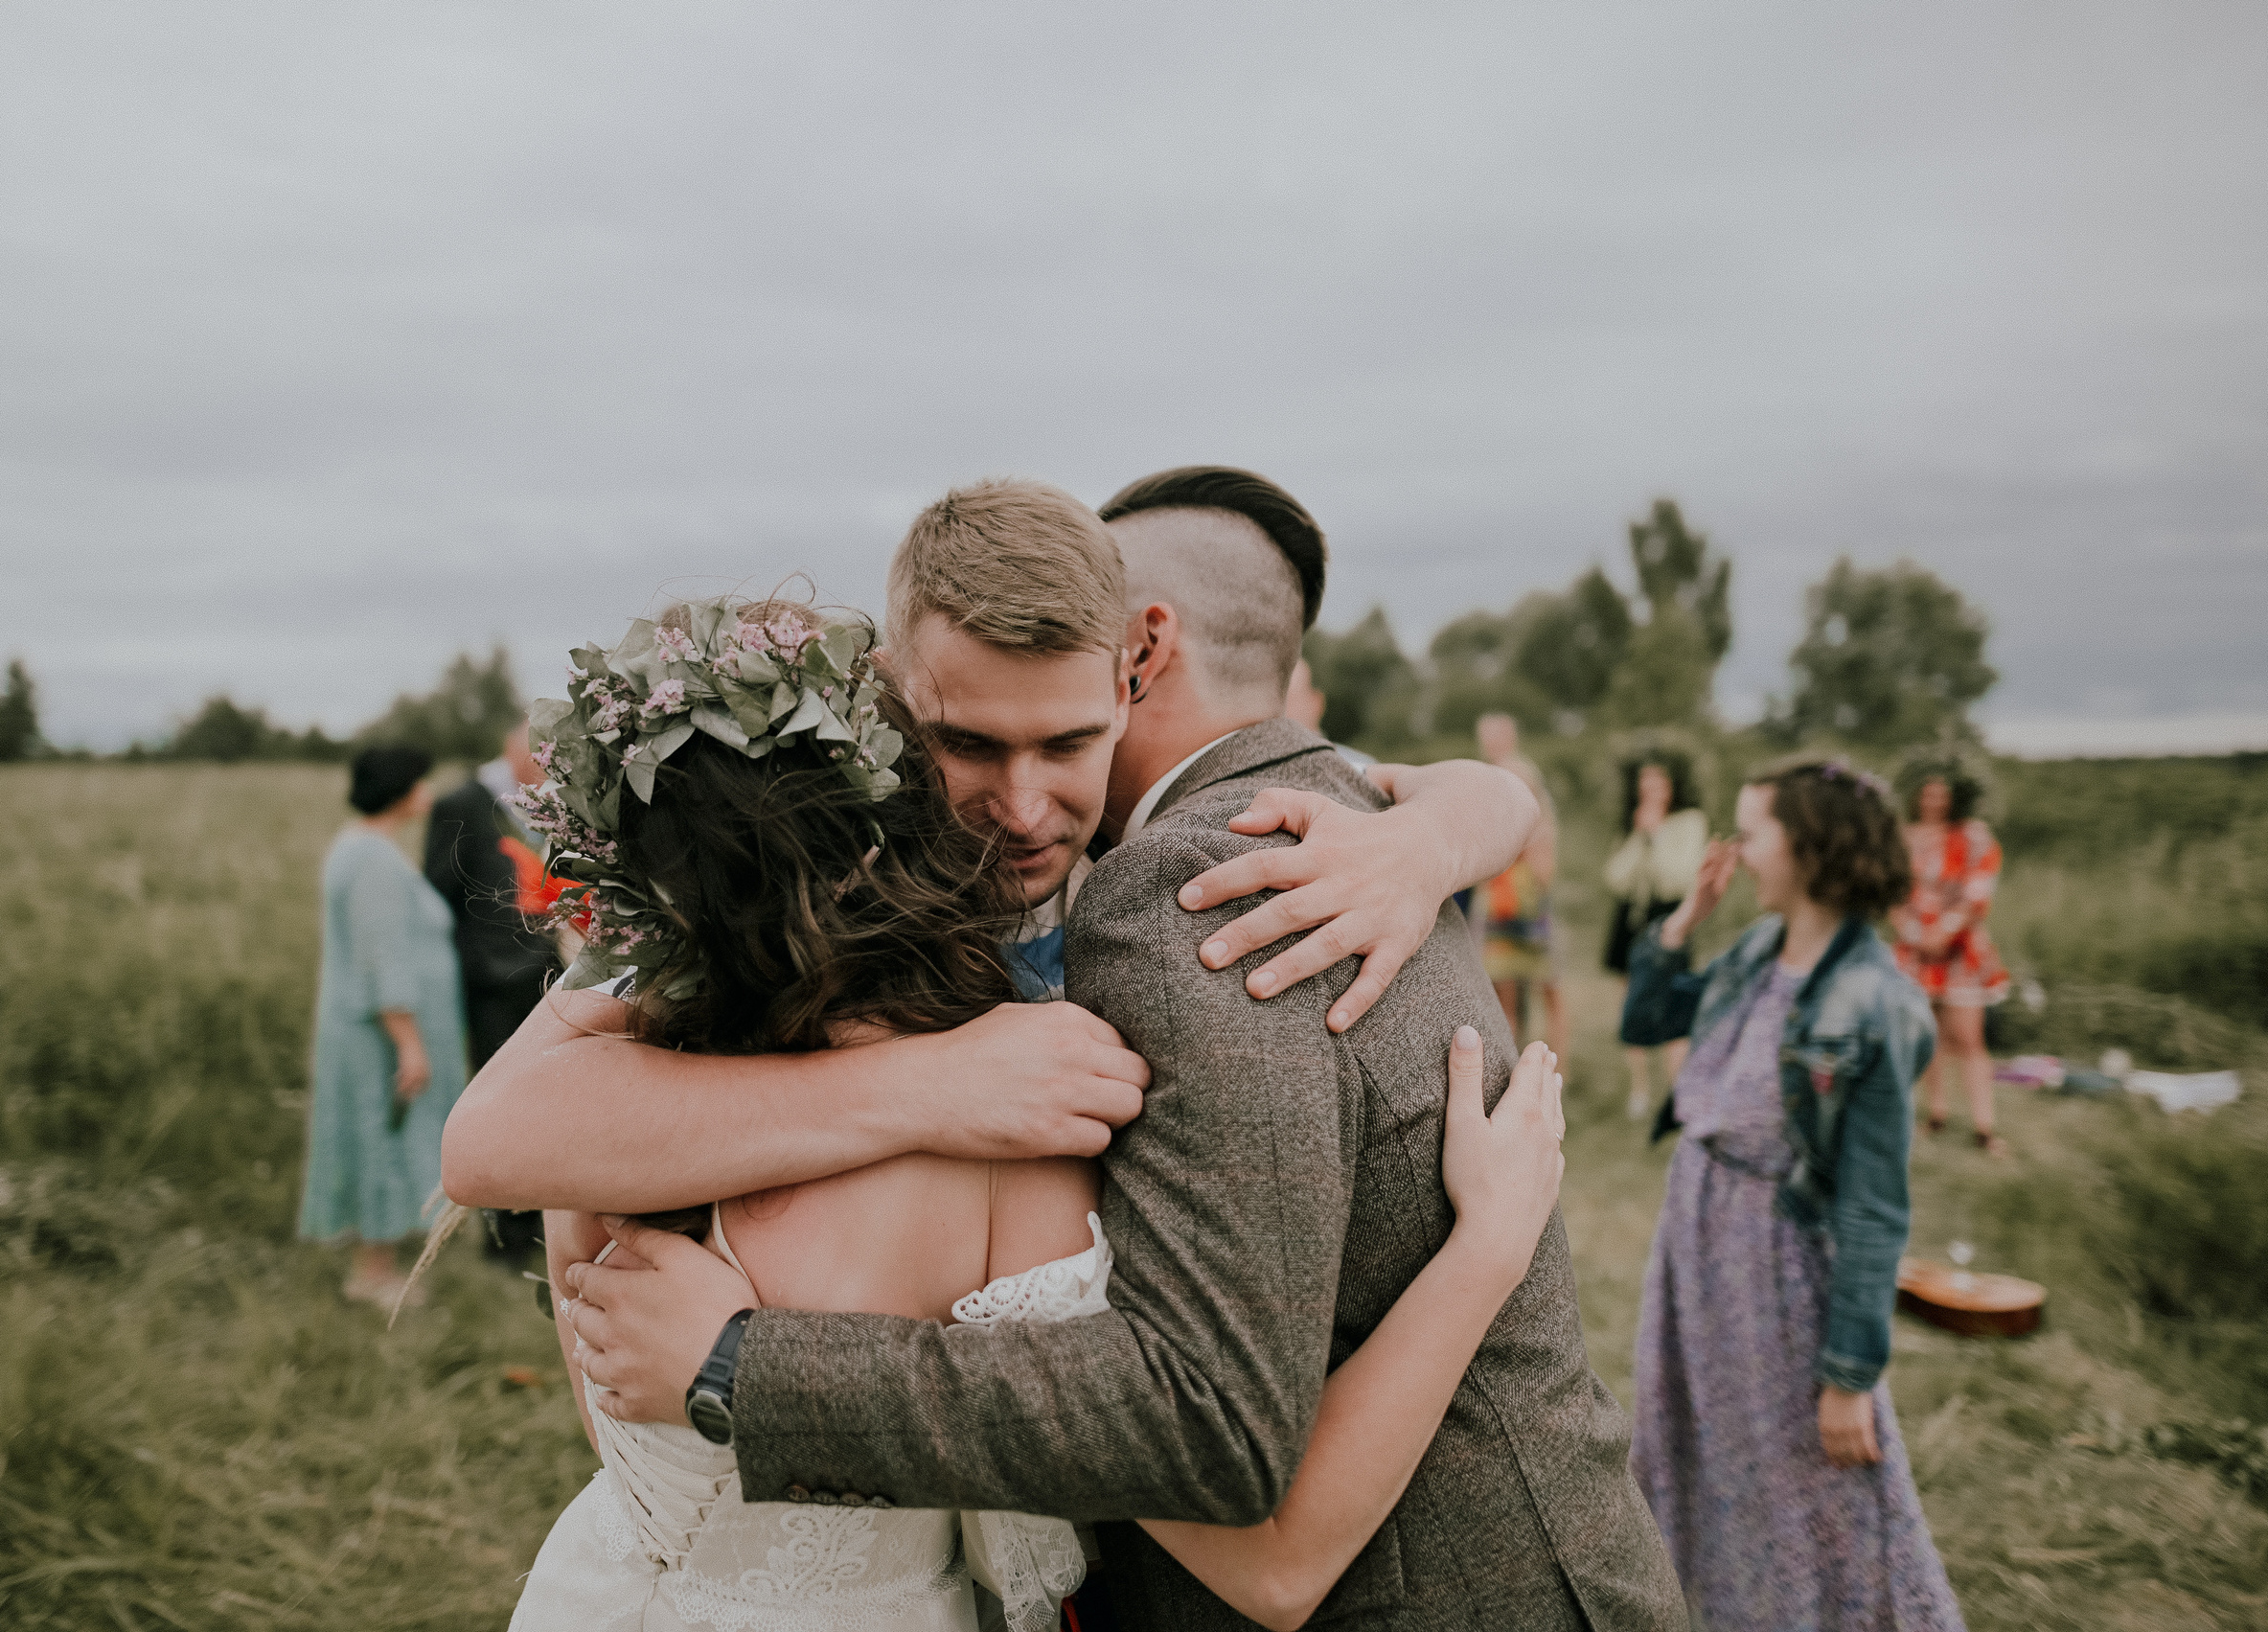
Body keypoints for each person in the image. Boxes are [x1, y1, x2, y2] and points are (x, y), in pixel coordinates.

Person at [487, 471, 1685, 1630]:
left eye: (1067, 742)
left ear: (1134, 666)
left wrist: (1447, 829)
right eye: (967, 742)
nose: (1022, 805)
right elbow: (493, 1139)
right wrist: (922, 1085)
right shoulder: (808, 912)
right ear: (891, 699)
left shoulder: (1232, 865)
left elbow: (1243, 1506)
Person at [1620, 758, 1963, 1631]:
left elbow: (1875, 1206)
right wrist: (1686, 917)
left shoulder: (1876, 1000)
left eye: (1755, 829)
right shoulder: (1753, 954)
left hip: (1777, 1271)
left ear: (1809, 849)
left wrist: (1851, 1375)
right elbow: (1646, 1019)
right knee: (1706, 1464)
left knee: (1810, 1490)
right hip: (1696, 1250)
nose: (1737, 847)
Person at [298, 745, 471, 1311]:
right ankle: (376, 1274)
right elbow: (382, 960)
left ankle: (374, 1268)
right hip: (379, 1036)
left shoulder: (366, 849)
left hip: (374, 1031)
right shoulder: (371, 859)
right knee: (383, 1138)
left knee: (382, 1136)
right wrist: (409, 1043)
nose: (428, 790)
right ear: (402, 789)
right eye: (421, 780)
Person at [424, 720, 564, 1254]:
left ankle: (540, 1224)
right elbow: (438, 889)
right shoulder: (462, 803)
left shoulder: (551, 801)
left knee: (541, 1100)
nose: (551, 764)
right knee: (494, 1101)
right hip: (487, 976)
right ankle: (503, 1238)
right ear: (514, 750)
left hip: (543, 972)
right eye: (542, 754)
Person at [1892, 750, 2011, 1157]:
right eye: (1927, 793)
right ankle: (1936, 1113)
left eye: (1942, 794)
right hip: (1915, 948)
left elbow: (1979, 890)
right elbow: (1892, 893)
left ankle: (1984, 1126)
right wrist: (1914, 932)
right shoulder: (1902, 837)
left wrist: (1944, 930)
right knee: (1928, 1036)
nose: (1934, 801)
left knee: (1968, 1038)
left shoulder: (1972, 836)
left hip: (1960, 949)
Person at [1602, 743, 1707, 1117]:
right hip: (1631, 919)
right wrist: (1639, 836)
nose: (1651, 786)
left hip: (1670, 917)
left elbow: (1676, 880)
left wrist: (1658, 835)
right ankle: (1640, 1090)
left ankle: (1678, 1090)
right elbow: (1615, 878)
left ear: (1672, 784)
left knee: (1671, 1002)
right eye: (1645, 779)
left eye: (1658, 778)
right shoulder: (1633, 821)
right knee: (1631, 1003)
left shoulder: (1689, 822)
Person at [1477, 711, 1568, 1059]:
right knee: (1504, 997)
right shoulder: (1488, 779)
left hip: (1531, 913)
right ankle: (1512, 1062)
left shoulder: (1522, 774)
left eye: (1494, 735)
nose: (1489, 743)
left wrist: (1527, 848)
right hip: (1501, 912)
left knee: (1549, 990)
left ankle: (1558, 1065)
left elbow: (1545, 872)